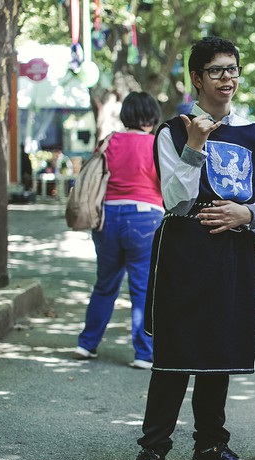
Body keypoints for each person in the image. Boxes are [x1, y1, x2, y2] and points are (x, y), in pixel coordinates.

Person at [121, 36, 255, 460]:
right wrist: (195, 145)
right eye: (216, 70)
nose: (226, 78)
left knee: (220, 347)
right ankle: (153, 450)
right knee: (175, 351)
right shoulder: (172, 131)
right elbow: (175, 199)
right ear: (196, 77)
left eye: (232, 69)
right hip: (184, 250)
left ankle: (210, 446)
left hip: (233, 253)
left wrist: (247, 214)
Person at [73, 92, 164, 369]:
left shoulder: (109, 141)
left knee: (105, 285)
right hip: (145, 218)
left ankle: (86, 344)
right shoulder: (157, 144)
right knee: (142, 288)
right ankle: (143, 354)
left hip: (108, 217)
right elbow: (166, 184)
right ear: (152, 116)